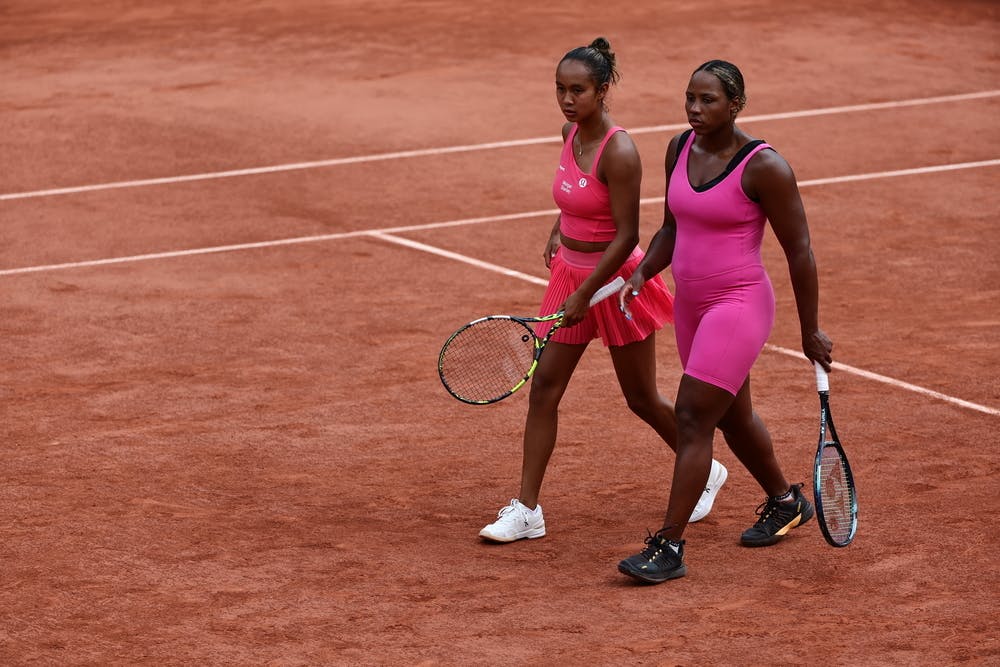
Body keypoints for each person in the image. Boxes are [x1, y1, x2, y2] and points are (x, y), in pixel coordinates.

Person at [479, 39, 729, 543]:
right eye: (560, 89)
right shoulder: (569, 133)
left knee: (639, 398)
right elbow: (575, 193)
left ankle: (706, 469)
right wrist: (559, 227)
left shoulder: (621, 150)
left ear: (603, 90)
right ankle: (528, 509)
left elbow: (628, 234)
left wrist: (586, 293)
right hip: (569, 278)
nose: (567, 100)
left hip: (614, 286)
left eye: (578, 90)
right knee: (544, 388)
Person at [615, 60, 834, 583]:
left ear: (736, 105)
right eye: (689, 97)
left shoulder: (765, 167)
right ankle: (786, 502)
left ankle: (667, 546)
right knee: (733, 415)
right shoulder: (679, 148)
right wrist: (644, 271)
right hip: (691, 305)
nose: (694, 108)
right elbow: (672, 225)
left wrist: (810, 330)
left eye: (707, 100)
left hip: (738, 305)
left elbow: (799, 251)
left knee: (692, 416)